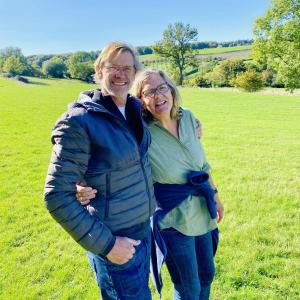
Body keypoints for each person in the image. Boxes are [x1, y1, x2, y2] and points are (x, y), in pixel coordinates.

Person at [77, 68, 224, 300]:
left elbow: (202, 165)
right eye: (149, 92)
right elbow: (105, 155)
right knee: (188, 288)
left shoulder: (188, 119)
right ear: (141, 101)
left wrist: (215, 195)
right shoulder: (140, 132)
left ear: (172, 90)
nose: (158, 96)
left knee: (207, 275)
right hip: (173, 219)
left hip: (202, 209)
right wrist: (81, 183)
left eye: (162, 88)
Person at [44, 42, 156, 300]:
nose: (121, 74)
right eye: (113, 67)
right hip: (114, 238)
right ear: (98, 72)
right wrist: (108, 245)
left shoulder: (134, 109)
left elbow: (166, 110)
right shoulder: (79, 121)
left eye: (127, 68)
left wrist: (188, 120)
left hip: (142, 228)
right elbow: (56, 195)